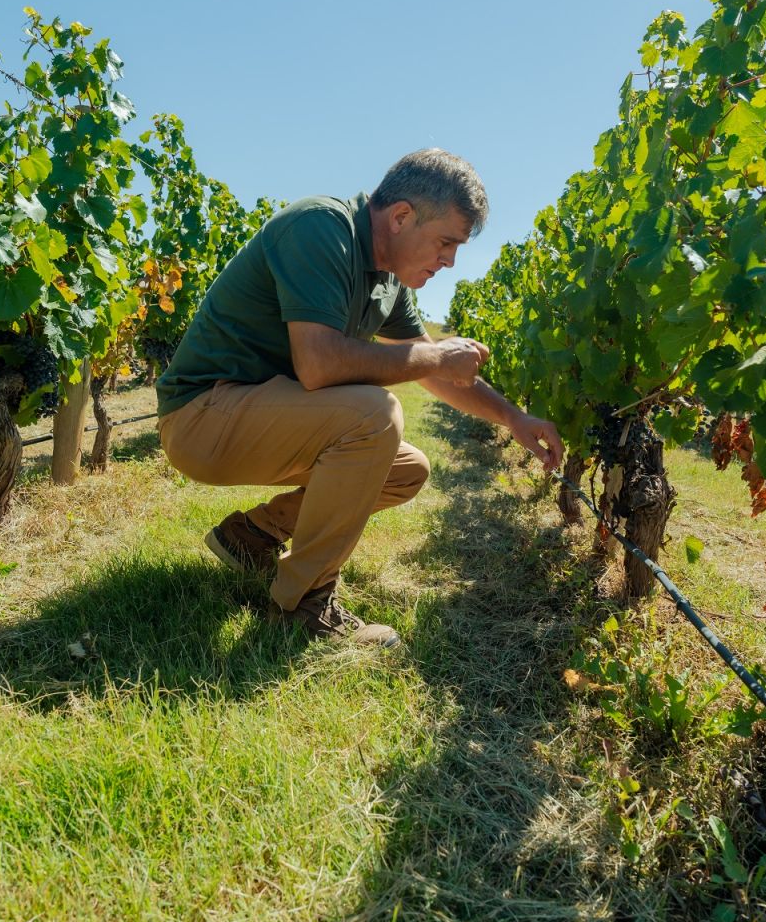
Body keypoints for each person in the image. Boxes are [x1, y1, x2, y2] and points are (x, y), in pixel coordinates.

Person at [156, 149, 564, 646]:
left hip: (252, 415)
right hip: (201, 418)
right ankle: (302, 605)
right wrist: (434, 359)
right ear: (401, 217)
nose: (450, 261)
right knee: (375, 415)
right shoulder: (321, 228)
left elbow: (429, 365)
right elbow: (320, 364)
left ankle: (252, 536)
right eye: (445, 242)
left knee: (406, 468)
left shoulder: (386, 279)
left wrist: (513, 417)